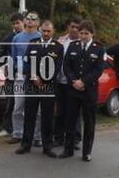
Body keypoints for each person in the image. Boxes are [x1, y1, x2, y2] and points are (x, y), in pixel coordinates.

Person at [58, 20, 104, 162]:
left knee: (89, 122)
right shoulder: (73, 46)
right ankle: (68, 149)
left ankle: (87, 152)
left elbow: (98, 69)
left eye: (86, 33)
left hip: (89, 90)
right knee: (70, 120)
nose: (83, 36)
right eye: (81, 33)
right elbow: (66, 66)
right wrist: (74, 81)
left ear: (92, 34)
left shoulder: (98, 48)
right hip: (73, 89)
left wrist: (84, 82)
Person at [16, 20, 63, 157]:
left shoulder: (58, 47)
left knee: (47, 117)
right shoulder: (32, 43)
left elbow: (57, 68)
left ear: (53, 31)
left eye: (49, 31)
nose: (46, 33)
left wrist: (43, 79)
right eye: (44, 30)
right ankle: (25, 145)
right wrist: (34, 77)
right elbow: (26, 64)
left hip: (48, 86)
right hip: (32, 84)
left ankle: (47, 146)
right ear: (40, 30)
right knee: (29, 116)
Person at [10, 12, 42, 146]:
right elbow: (13, 56)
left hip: (37, 77)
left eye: (33, 19)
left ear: (37, 23)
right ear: (24, 21)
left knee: (38, 109)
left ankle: (37, 136)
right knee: (18, 107)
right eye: (28, 18)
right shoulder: (17, 38)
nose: (30, 21)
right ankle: (17, 133)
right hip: (20, 76)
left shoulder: (41, 37)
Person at [0, 13, 24, 137]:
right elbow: (0, 57)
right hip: (11, 76)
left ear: (23, 22)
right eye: (14, 23)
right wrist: (4, 67)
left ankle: (24, 128)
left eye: (18, 22)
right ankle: (7, 128)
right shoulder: (8, 38)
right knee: (10, 101)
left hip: (26, 75)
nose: (16, 25)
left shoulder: (30, 38)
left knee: (25, 103)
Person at [55, 17, 82, 148]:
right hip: (60, 81)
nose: (74, 29)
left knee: (74, 112)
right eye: (72, 26)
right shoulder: (61, 41)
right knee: (60, 112)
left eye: (77, 27)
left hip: (74, 83)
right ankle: (59, 138)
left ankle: (75, 139)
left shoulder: (82, 43)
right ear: (68, 27)